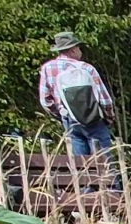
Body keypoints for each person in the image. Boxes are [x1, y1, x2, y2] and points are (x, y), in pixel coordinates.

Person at [38, 33, 119, 188]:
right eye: (79, 47)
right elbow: (104, 99)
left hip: (70, 120)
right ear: (73, 49)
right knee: (103, 159)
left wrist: (60, 114)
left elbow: (45, 100)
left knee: (80, 161)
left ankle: (86, 196)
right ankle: (112, 194)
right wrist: (109, 117)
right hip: (94, 118)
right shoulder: (87, 68)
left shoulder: (47, 68)